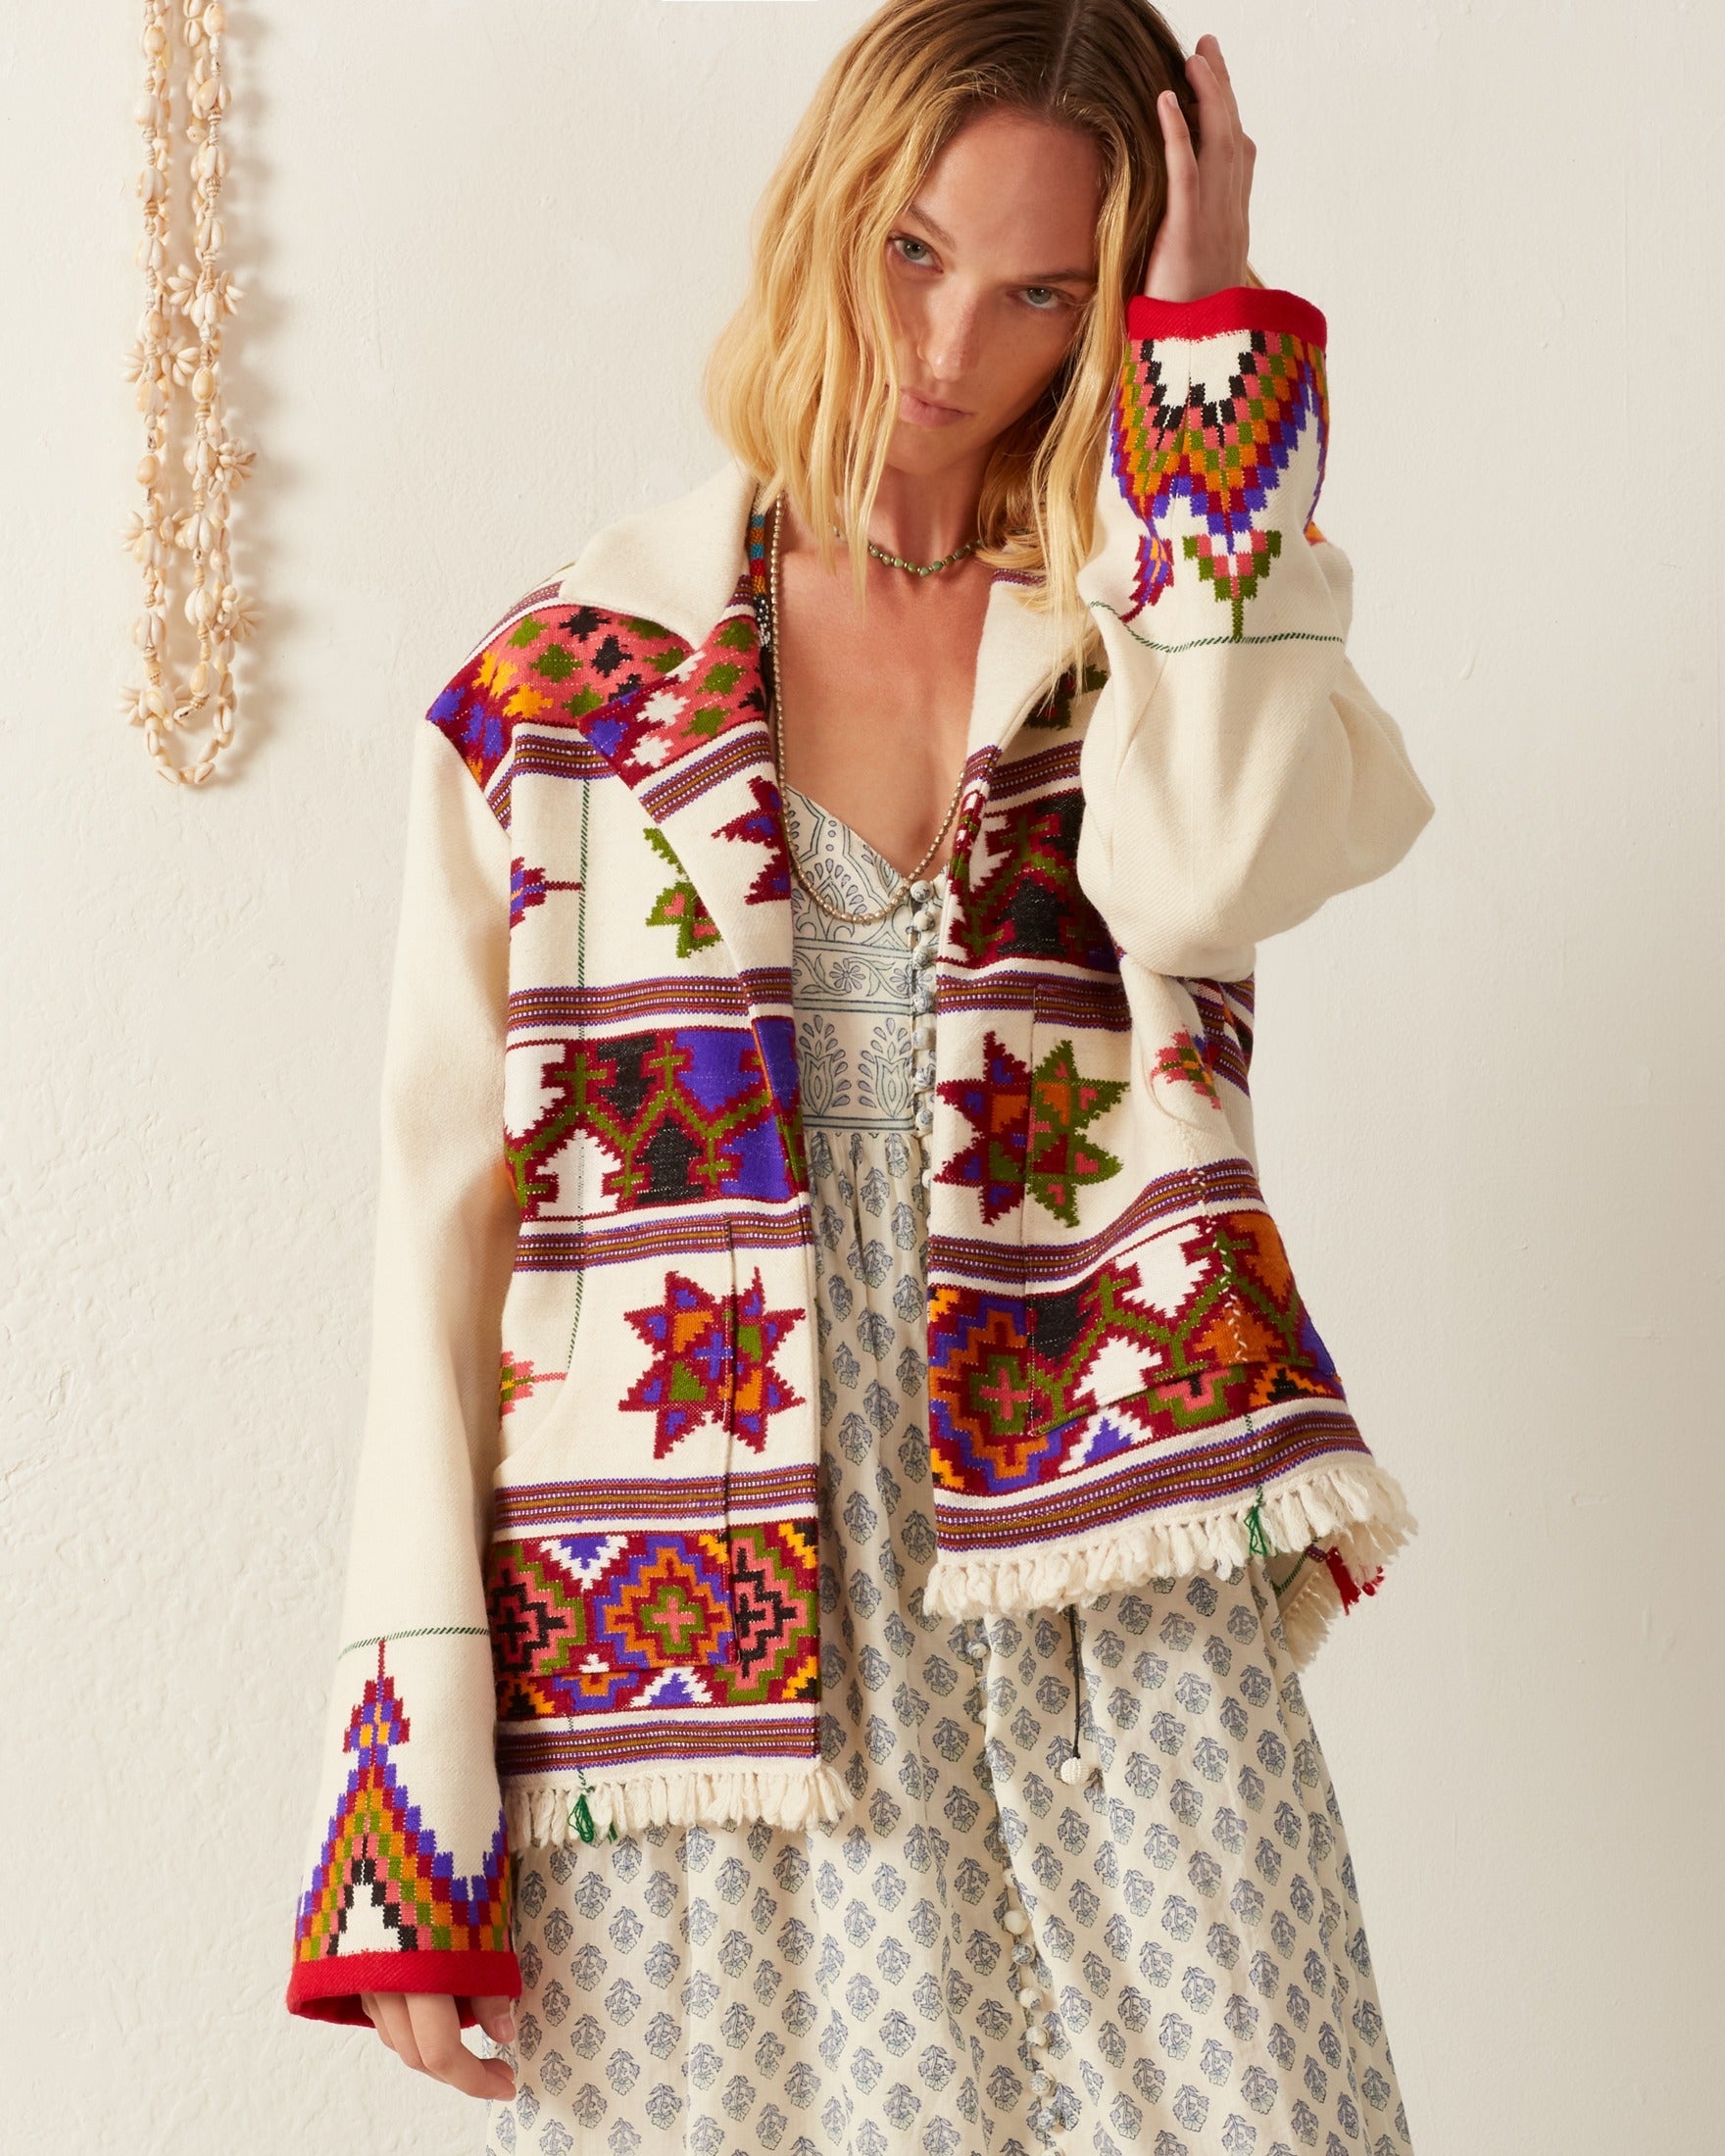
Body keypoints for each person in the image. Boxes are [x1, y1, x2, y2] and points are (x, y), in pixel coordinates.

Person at [283, 5, 1435, 2150]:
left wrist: (1210, 356)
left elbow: (1216, 861)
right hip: (698, 1636)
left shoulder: (1139, 628)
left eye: (1036, 294)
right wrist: (410, 1800)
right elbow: (444, 1237)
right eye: (913, 251)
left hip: (1098, 1579)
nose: (947, 343)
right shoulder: (569, 696)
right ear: (828, 211)